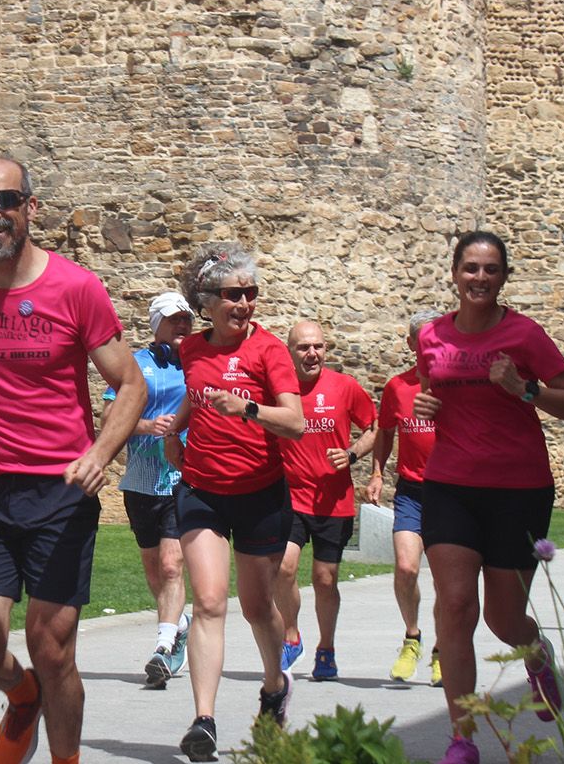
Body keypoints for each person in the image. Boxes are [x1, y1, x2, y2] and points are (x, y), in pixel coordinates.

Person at [0, 155, 147, 764]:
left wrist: (102, 452)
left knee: (52, 649)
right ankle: (21, 696)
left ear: (31, 208)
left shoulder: (76, 288)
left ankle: (64, 758)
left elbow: (130, 384)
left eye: (4, 200)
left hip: (60, 492)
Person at [413, 231, 564, 764]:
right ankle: (462, 737)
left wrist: (526, 389)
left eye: (491, 270)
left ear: (504, 277)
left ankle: (535, 656)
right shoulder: (431, 337)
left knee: (503, 621)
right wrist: (427, 403)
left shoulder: (525, 334)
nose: (480, 278)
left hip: (518, 488)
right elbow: (434, 389)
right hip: (449, 487)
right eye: (470, 268)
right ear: (454, 274)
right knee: (456, 606)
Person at [162, 243, 305, 763]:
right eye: (233, 295)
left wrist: (246, 408)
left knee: (255, 606)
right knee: (208, 601)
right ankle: (204, 719)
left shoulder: (269, 351)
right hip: (201, 489)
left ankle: (273, 686)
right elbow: (194, 392)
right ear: (207, 301)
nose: (244, 303)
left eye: (251, 293)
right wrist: (173, 431)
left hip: (260, 494)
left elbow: (295, 423)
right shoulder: (192, 349)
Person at [273, 320, 377, 682]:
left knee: (325, 579)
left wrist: (352, 455)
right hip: (290, 497)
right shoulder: (279, 391)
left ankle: (326, 649)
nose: (312, 353)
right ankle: (291, 635)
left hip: (334, 501)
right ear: (290, 351)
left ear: (326, 350)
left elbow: (375, 428)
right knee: (283, 568)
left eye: (317, 346)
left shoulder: (345, 387)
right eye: (303, 347)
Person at [101, 290, 193, 690]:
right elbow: (108, 416)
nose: (182, 326)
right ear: (157, 324)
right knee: (154, 567)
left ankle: (164, 644)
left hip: (181, 475)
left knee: (173, 565)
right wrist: (145, 426)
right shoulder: (135, 365)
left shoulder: (197, 362)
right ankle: (178, 623)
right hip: (140, 481)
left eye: (186, 318)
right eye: (174, 319)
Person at [366, 308, 445, 687]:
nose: (427, 346)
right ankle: (412, 636)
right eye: (421, 339)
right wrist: (378, 472)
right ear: (412, 343)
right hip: (411, 491)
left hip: (451, 492)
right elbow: (385, 432)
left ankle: (443, 649)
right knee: (406, 568)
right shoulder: (399, 387)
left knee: (448, 581)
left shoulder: (456, 385)